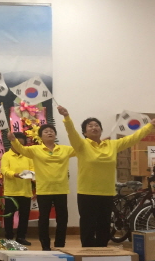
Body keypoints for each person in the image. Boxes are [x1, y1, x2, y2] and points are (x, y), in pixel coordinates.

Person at [59, 106, 155, 247]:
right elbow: (71, 133)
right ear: (85, 132)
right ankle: (87, 251)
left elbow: (133, 138)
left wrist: (150, 126)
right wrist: (66, 117)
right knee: (88, 224)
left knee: (104, 224)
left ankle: (102, 250)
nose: (94, 127)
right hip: (87, 192)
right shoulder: (81, 145)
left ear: (101, 129)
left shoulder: (112, 145)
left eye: (97, 125)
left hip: (107, 192)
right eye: (90, 126)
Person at [8, 125, 75, 251]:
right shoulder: (35, 149)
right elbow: (21, 149)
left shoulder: (65, 149)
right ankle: (45, 245)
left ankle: (60, 245)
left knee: (62, 218)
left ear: (55, 135)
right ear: (40, 137)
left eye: (52, 131)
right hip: (44, 190)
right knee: (43, 218)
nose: (49, 133)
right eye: (46, 131)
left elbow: (81, 148)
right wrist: (13, 140)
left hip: (61, 189)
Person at [0, 131, 34, 246]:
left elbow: (33, 169)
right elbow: (4, 170)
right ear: (11, 143)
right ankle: (9, 237)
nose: (18, 145)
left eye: (21, 144)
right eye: (16, 143)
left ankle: (21, 237)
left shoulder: (28, 155)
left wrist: (30, 174)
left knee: (24, 216)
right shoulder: (6, 156)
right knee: (9, 215)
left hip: (25, 191)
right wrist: (15, 174)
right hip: (11, 191)